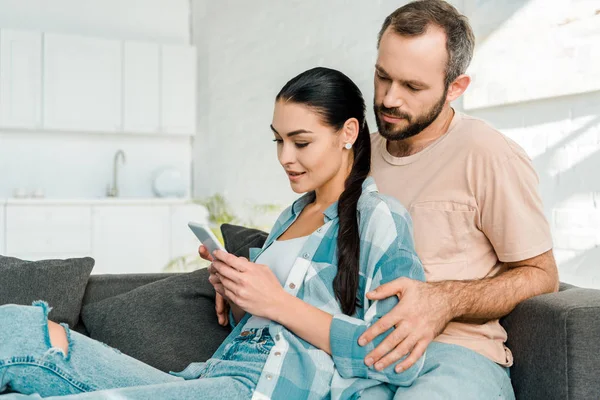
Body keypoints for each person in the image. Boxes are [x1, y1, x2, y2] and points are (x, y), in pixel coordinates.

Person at [0, 67, 427, 399]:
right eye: (278, 141)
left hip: (266, 389)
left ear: (348, 133)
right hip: (215, 377)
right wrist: (238, 290)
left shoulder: (379, 219)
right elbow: (256, 324)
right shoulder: (291, 217)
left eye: (301, 142)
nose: (285, 157)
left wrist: (276, 301)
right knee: (21, 328)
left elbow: (397, 359)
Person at [210, 1, 558, 399]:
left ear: (455, 88)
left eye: (412, 86)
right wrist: (244, 286)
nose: (390, 98)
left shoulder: (487, 153)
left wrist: (443, 300)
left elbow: (540, 274)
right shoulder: (353, 156)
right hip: (350, 354)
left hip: (452, 353)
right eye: (382, 77)